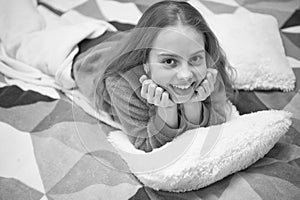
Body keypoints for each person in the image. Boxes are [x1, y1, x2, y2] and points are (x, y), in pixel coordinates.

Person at [73, 1, 235, 152]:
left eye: (195, 58)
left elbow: (217, 123)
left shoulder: (207, 67)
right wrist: (166, 109)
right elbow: (145, 144)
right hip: (88, 54)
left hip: (131, 39)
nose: (186, 75)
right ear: (145, 62)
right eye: (170, 61)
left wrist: (193, 104)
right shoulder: (120, 82)